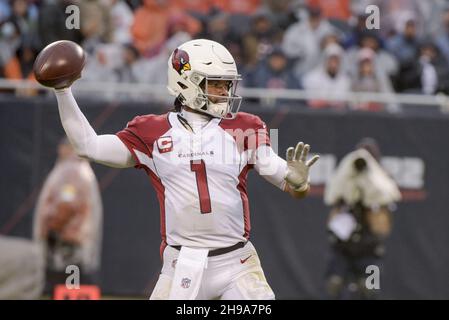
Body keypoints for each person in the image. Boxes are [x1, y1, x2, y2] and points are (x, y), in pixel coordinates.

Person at [50, 39, 319, 300]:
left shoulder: (245, 127)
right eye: (216, 84)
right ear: (186, 82)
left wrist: (299, 183)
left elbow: (287, 182)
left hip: (237, 262)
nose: (225, 93)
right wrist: (63, 92)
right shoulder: (150, 131)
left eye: (227, 85)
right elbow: (89, 146)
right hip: (182, 262)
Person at [323, 138, 401, 299]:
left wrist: (371, 197)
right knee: (334, 284)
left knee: (370, 288)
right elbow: (332, 208)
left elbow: (383, 226)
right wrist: (348, 197)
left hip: (369, 252)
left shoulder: (383, 185)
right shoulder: (344, 182)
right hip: (343, 249)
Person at [33, 138, 103, 295]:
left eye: (64, 146)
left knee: (67, 288)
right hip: (70, 243)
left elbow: (67, 204)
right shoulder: (77, 169)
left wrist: (53, 230)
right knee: (69, 287)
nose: (60, 150)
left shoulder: (72, 171)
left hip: (67, 245)